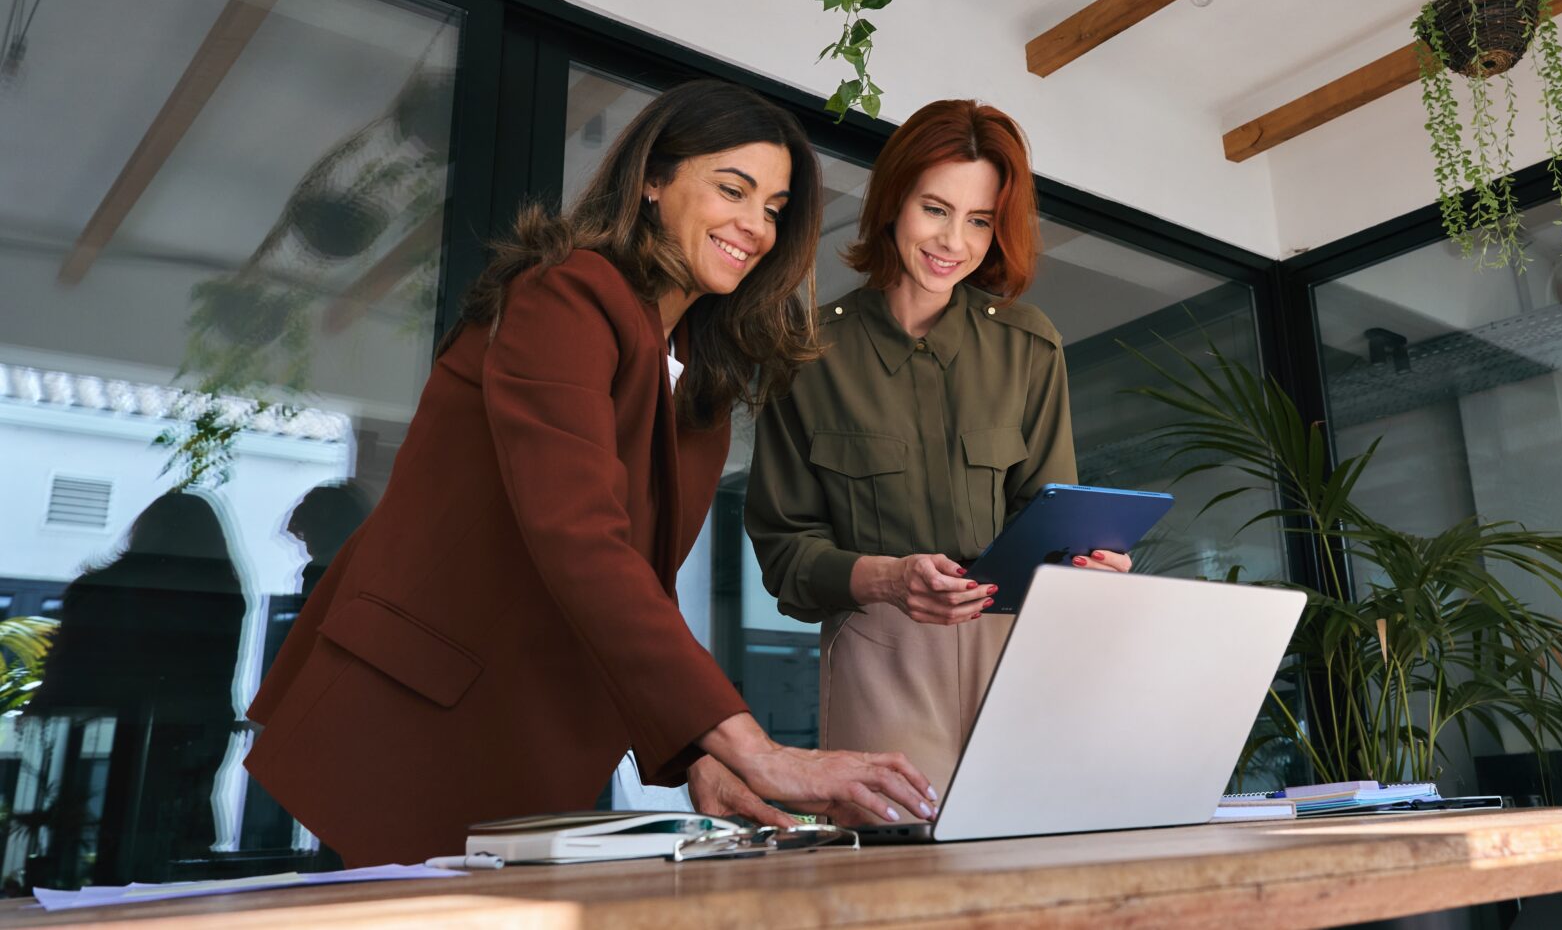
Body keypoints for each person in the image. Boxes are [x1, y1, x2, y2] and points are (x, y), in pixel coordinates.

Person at [246, 80, 936, 867]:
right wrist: (752, 746)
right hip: (412, 712)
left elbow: (640, 578)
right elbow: (580, 538)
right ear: (652, 180)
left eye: (775, 208)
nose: (755, 225)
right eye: (733, 189)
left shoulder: (694, 380)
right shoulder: (565, 293)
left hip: (528, 727)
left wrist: (702, 757)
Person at [746, 99, 1127, 795]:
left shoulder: (1029, 346)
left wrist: (1086, 566)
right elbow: (784, 551)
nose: (955, 240)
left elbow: (1050, 517)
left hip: (1015, 665)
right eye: (935, 209)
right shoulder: (803, 355)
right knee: (895, 883)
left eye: (979, 220)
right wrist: (889, 578)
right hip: (877, 664)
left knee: (1030, 872)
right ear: (893, 203)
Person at [29, 491, 247, 883]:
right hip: (183, 752)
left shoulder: (102, 588)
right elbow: (215, 686)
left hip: (103, 751)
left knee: (90, 863)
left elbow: (67, 671)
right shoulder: (222, 596)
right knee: (167, 860)